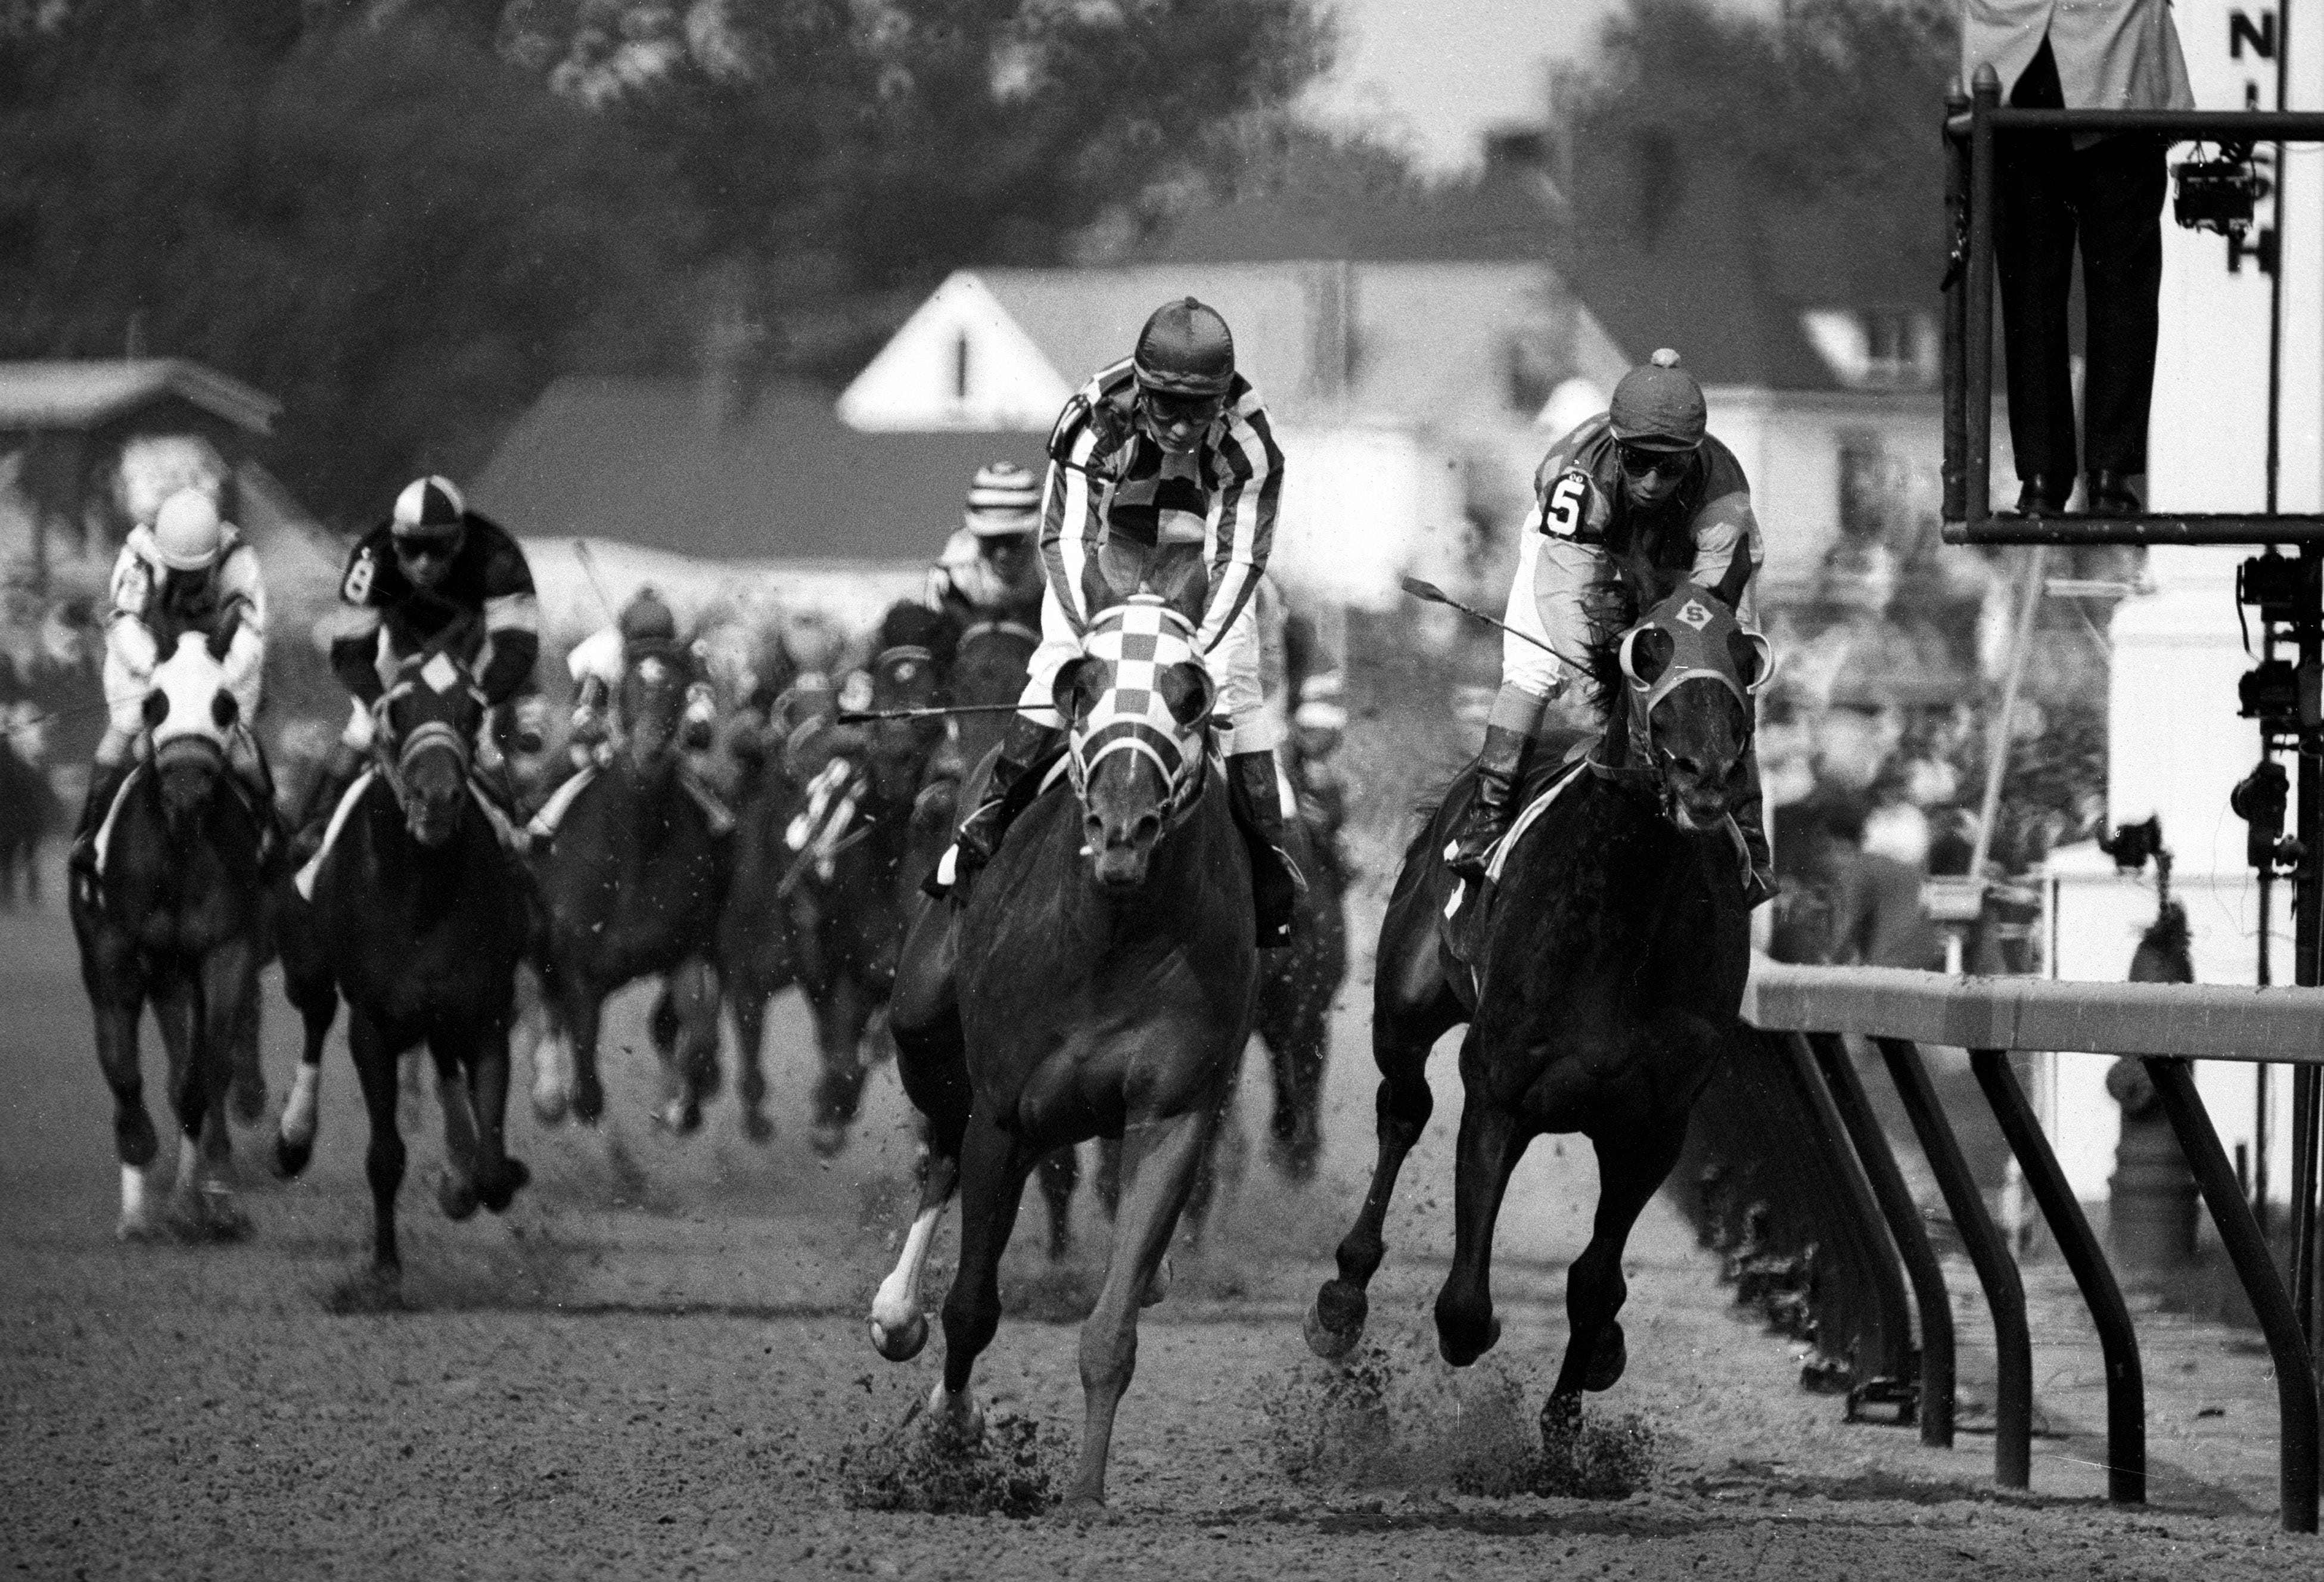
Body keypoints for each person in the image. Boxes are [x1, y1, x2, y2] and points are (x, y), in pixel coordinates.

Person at [946, 296, 1299, 946]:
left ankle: (1267, 862)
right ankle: (990, 817)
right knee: (1059, 663)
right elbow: (1066, 540)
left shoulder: (1253, 443)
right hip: (1109, 546)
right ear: (1141, 386)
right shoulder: (1090, 418)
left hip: (1201, 559)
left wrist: (1195, 652)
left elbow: (1241, 557)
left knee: (1234, 685)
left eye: (1203, 408)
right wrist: (1102, 642)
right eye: (1168, 406)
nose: (1187, 428)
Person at [1445, 348, 1776, 905]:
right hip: (1578, 553)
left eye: (1669, 466)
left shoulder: (1724, 496)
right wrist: (1611, 674)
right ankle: (1488, 816)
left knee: (1723, 674)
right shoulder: (1579, 479)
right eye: (1638, 460)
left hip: (1683, 561)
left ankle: (1746, 825)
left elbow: (1711, 607)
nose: (1650, 481)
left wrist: (1676, 665)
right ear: (1617, 447)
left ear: (1694, 457)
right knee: (1536, 669)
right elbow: (1567, 595)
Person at [1963, 0, 2193, 516]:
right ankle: (2105, 473)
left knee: (2038, 293)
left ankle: (2048, 478)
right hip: (2099, 56)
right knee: (2118, 288)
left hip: (2022, 57)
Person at [294, 475, 539, 850]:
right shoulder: (371, 561)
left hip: (472, 652)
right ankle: (311, 836)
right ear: (394, 540)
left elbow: (517, 649)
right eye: (411, 549)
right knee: (361, 729)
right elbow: (349, 652)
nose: (424, 563)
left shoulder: (497, 556)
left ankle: (515, 833)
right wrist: (377, 700)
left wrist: (482, 696)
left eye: (438, 549)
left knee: (485, 735)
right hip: (401, 650)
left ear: (460, 541)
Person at [72, 487, 276, 874]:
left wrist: (215, 675)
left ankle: (268, 824)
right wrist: (158, 668)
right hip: (150, 656)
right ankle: (90, 833)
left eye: (197, 572)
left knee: (240, 739)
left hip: (220, 661)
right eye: (180, 571)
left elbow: (252, 630)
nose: (189, 580)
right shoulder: (138, 554)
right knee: (124, 733)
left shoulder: (238, 556)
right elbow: (124, 622)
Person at [924, 461, 1046, 639]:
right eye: (991, 540)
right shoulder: (950, 578)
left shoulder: (1057, 564)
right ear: (975, 534)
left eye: (1013, 540)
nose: (1002, 554)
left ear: (1033, 533)